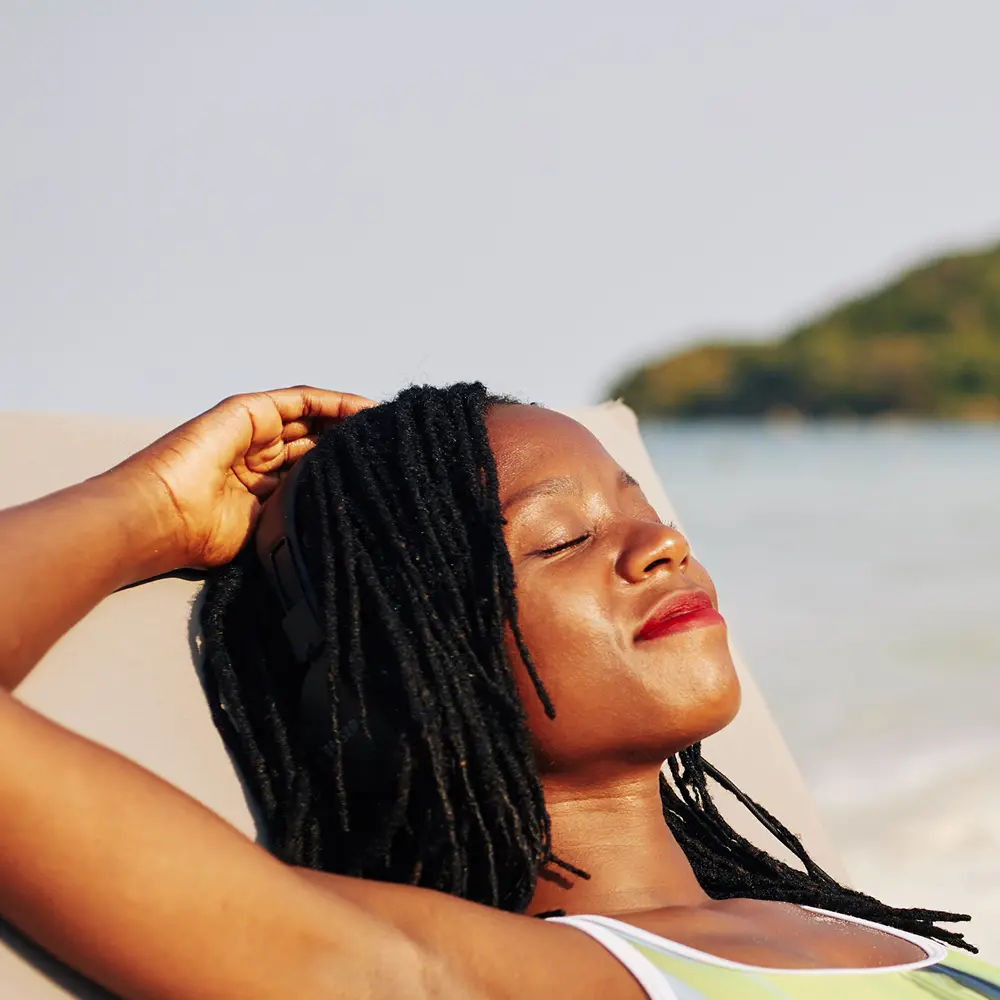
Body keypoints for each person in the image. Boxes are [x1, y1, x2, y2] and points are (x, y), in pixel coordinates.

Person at [0, 383, 996, 1000]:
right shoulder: (449, 976)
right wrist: (149, 509)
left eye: (643, 509)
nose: (663, 543)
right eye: (562, 539)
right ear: (402, 666)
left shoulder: (870, 930)